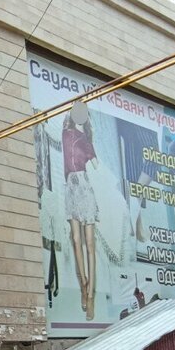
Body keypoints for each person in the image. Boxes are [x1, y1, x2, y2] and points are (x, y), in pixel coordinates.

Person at [62, 105, 99, 320]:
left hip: (84, 188)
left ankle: (91, 295)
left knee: (90, 244)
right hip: (71, 188)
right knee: (76, 240)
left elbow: (96, 166)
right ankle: (83, 286)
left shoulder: (86, 139)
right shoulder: (65, 133)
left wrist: (89, 153)